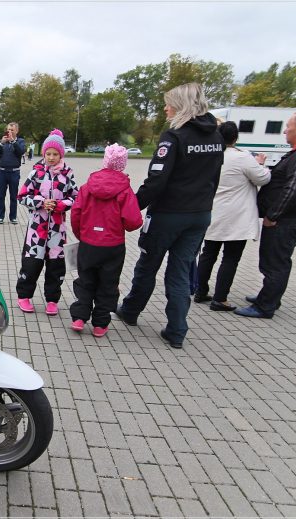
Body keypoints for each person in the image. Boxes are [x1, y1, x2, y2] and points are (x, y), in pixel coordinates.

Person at [115, 83, 224, 349]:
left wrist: (130, 208)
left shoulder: (173, 136)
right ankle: (177, 330)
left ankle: (130, 311)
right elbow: (215, 178)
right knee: (180, 271)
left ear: (182, 105)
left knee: (148, 264)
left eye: (169, 103)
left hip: (167, 215)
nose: (165, 108)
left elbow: (157, 181)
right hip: (199, 215)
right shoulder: (216, 137)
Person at [235, 110, 296, 319]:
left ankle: (265, 305)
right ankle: (269, 296)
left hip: (288, 219)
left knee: (274, 262)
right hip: (294, 216)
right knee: (275, 260)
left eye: (288, 126)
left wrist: (274, 215)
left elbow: (295, 187)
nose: (285, 131)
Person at [193, 121, 271, 312]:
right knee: (230, 258)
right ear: (235, 138)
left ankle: (200, 290)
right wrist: (261, 164)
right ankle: (220, 298)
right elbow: (262, 178)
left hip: (212, 212)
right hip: (237, 217)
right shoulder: (242, 157)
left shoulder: (210, 156)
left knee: (208, 254)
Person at [69, 144, 142, 337]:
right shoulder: (125, 190)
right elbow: (134, 221)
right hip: (113, 246)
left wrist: (81, 235)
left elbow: (76, 213)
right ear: (123, 165)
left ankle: (79, 317)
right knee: (108, 284)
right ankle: (100, 323)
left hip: (89, 243)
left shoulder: (87, 187)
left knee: (86, 280)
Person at [16, 129, 78, 316]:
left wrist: (60, 205)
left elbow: (75, 198)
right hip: (37, 229)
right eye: (48, 154)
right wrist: (41, 202)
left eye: (55, 154)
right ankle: (24, 296)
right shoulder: (36, 172)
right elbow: (22, 196)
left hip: (57, 231)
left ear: (61, 154)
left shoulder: (67, 174)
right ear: (43, 153)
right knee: (31, 264)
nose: (51, 157)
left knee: (55, 266)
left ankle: (52, 300)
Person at [0, 122, 25, 224]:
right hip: (2, 172)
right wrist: (1, 143)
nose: (10, 132)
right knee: (1, 196)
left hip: (14, 173)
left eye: (12, 130)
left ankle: (13, 217)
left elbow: (20, 152)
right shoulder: (4, 141)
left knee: (13, 196)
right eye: (8, 130)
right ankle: (0, 216)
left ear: (17, 131)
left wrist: (13, 142)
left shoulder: (20, 141)